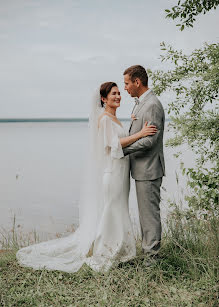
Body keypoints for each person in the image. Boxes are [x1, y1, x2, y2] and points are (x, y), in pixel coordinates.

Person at [16, 82, 157, 273]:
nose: (118, 96)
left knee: (118, 210)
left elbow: (121, 138)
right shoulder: (105, 119)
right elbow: (112, 145)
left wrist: (134, 124)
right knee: (111, 212)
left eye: (119, 93)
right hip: (113, 173)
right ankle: (105, 252)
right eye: (114, 93)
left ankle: (120, 249)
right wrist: (140, 133)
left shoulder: (113, 119)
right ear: (103, 98)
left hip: (121, 174)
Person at [123, 65, 165, 261]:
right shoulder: (141, 103)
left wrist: (122, 149)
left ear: (137, 82)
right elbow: (139, 133)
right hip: (141, 170)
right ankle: (148, 253)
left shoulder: (152, 105)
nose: (125, 88)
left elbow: (150, 141)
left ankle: (152, 260)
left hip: (148, 169)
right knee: (145, 215)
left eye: (127, 83)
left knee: (149, 216)